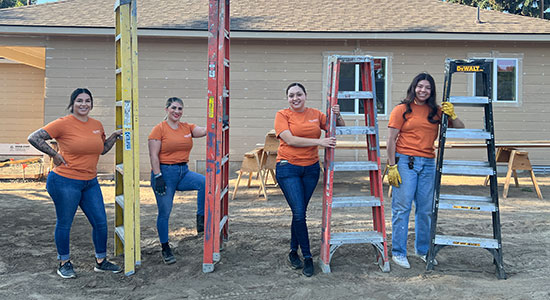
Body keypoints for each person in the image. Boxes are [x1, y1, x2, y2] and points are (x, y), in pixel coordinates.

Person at [28, 88, 123, 279]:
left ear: (91, 104)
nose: (84, 104)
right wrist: (54, 154)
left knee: (101, 222)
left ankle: (101, 261)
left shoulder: (96, 124)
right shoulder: (63, 123)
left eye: (87, 101)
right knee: (65, 223)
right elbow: (34, 137)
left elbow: (102, 149)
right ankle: (64, 263)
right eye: (79, 101)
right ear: (72, 103)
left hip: (90, 182)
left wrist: (112, 137)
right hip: (65, 181)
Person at [386, 73, 465, 269]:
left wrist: (452, 115)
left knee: (425, 210)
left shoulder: (436, 111)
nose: (423, 90)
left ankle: (422, 250)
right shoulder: (401, 109)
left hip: (428, 163)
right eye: (420, 86)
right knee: (402, 208)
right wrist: (391, 165)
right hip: (405, 163)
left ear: (432, 91)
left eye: (427, 87)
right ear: (413, 88)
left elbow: (460, 128)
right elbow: (390, 140)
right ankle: (398, 252)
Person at [274, 82, 345, 277]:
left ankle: (292, 252)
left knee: (299, 212)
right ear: (287, 98)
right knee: (299, 213)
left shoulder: (315, 114)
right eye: (291, 95)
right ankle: (307, 257)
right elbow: (290, 140)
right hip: (287, 168)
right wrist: (319, 142)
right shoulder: (282, 115)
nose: (295, 98)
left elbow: (338, 127)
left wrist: (337, 114)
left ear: (305, 95)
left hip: (311, 170)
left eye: (298, 94)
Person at [148, 97, 207, 264]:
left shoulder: (186, 127)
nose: (177, 111)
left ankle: (201, 221)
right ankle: (165, 247)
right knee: (165, 212)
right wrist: (158, 175)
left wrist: (217, 124)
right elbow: (153, 155)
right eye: (173, 108)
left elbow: (203, 131)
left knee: (205, 182)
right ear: (166, 109)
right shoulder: (158, 129)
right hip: (165, 174)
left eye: (180, 109)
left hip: (183, 171)